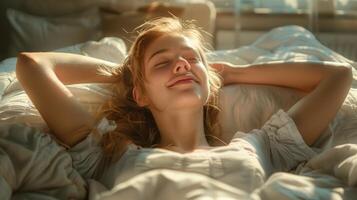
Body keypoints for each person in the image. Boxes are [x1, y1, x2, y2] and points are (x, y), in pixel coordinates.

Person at [15, 17, 352, 197]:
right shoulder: (109, 155)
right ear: (140, 95)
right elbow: (31, 65)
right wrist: (124, 74)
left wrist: (235, 72)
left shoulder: (261, 146)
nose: (182, 66)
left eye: (192, 60)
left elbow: (338, 76)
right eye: (163, 63)